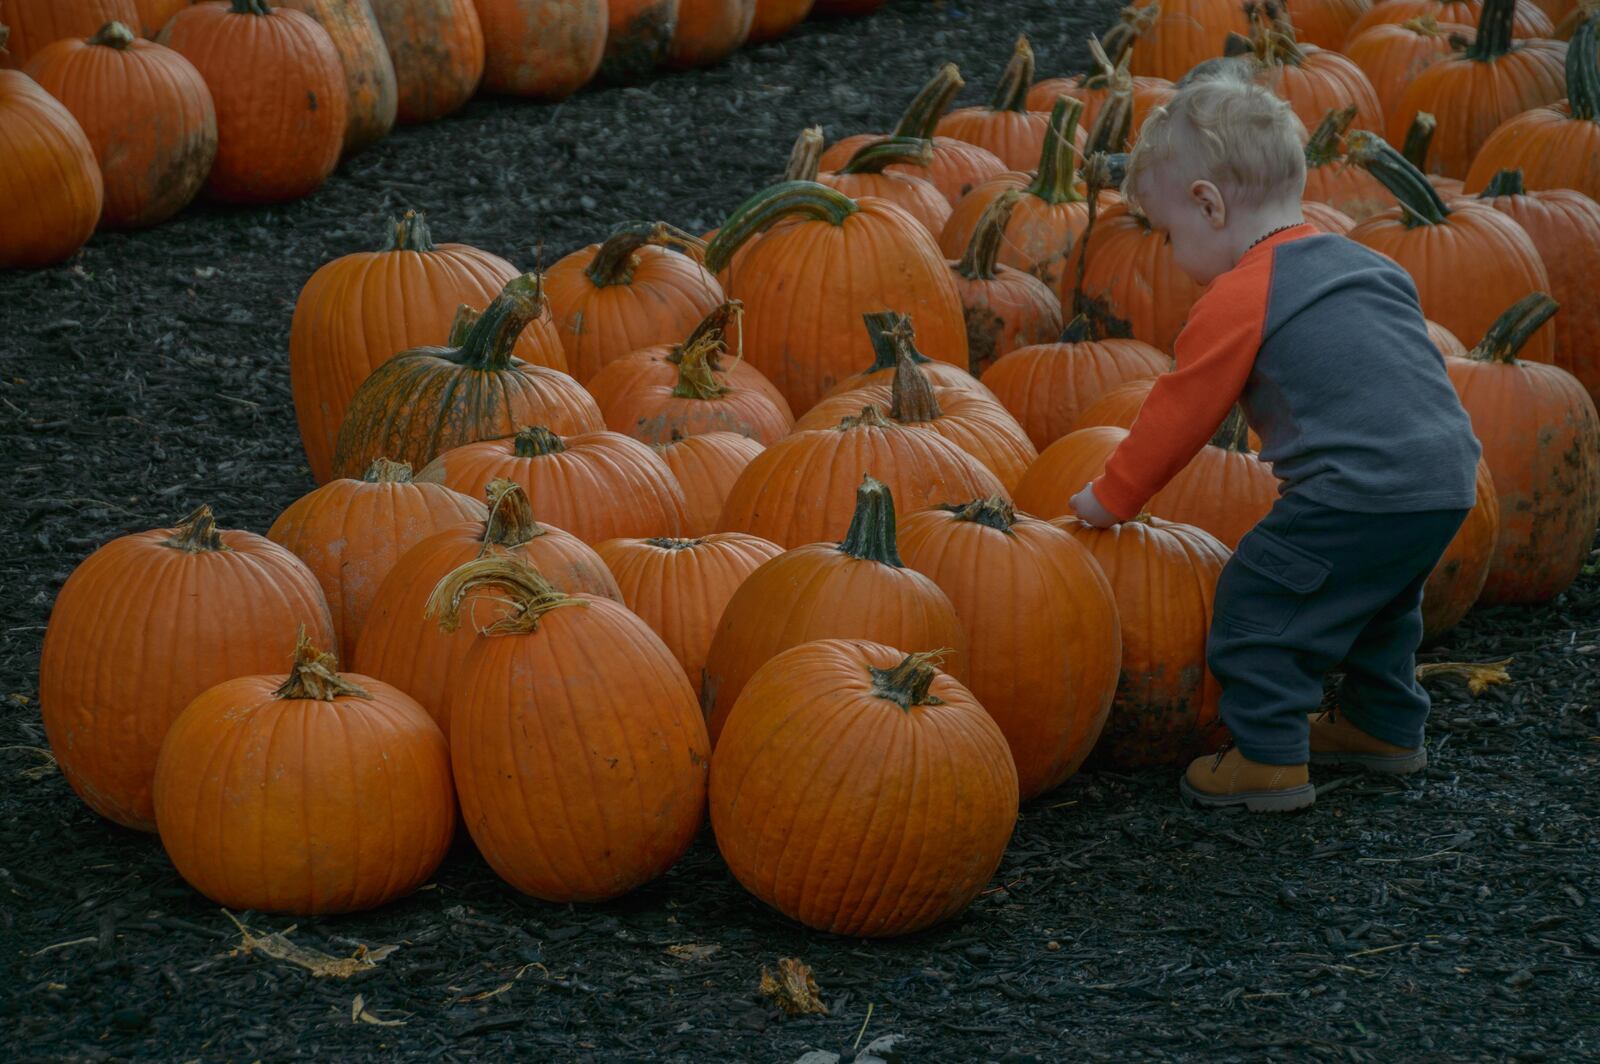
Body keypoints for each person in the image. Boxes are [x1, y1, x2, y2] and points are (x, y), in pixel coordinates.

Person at [1068, 69, 1481, 812]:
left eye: (1169, 233)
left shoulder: (1240, 295)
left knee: (1258, 600)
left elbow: (1181, 411)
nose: (1168, 252)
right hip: (1445, 479)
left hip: (1356, 490)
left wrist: (1112, 497)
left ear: (1209, 204)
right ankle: (1381, 727)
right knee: (1377, 603)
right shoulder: (1364, 262)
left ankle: (1267, 760)